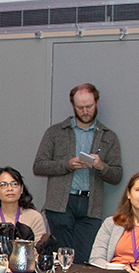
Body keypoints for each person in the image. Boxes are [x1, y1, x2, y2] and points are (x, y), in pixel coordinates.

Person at [34, 83, 123, 263]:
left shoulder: (108, 136)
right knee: (61, 259)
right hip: (59, 205)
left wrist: (100, 166)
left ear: (97, 103)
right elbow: (39, 166)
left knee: (84, 259)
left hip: (91, 206)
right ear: (72, 106)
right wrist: (67, 165)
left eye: (89, 106)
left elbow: (117, 175)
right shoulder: (55, 132)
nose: (84, 111)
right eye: (80, 107)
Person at [0, 166, 48, 240]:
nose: (10, 188)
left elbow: (40, 249)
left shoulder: (34, 217)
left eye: (14, 184)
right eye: (3, 185)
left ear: (21, 189)